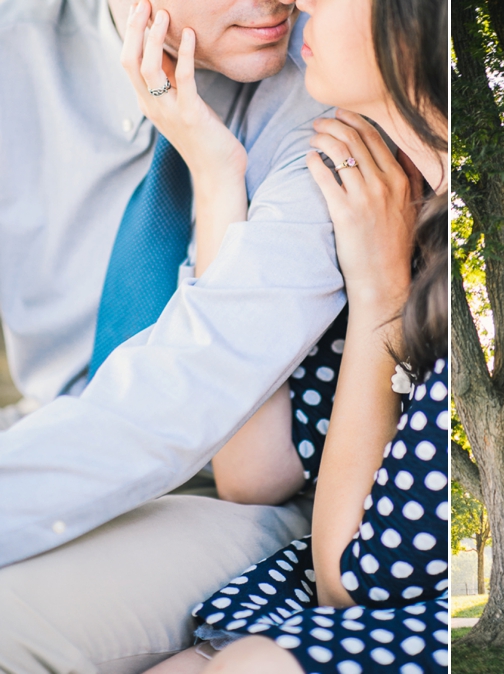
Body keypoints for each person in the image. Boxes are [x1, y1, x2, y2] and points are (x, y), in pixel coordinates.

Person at [0, 1, 357, 670]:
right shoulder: (14, 53)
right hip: (41, 428)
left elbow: (198, 382)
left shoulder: (331, 75)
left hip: (229, 490)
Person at [117, 0, 449, 669]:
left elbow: (354, 584)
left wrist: (381, 297)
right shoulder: (379, 192)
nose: (298, 3)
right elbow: (253, 466)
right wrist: (214, 173)